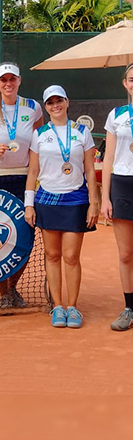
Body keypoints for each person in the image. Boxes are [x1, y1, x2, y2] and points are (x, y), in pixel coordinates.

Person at [25, 85, 99, 328]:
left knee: (71, 256)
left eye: (59, 100)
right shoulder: (39, 134)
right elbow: (33, 171)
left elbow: (90, 170)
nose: (55, 105)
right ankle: (58, 306)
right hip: (47, 200)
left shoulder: (82, 132)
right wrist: (29, 204)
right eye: (50, 102)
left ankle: (73, 307)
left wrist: (93, 203)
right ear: (45, 107)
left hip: (76, 199)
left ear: (67, 102)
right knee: (52, 255)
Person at [0, 62, 43, 309]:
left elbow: (39, 143)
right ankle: (3, 293)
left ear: (19, 81)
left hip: (24, 179)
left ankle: (13, 286)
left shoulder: (33, 107)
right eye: (4, 80)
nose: (8, 83)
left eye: (12, 79)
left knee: (24, 237)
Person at [101, 62, 133, 331]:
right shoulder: (116, 115)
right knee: (125, 254)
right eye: (132, 79)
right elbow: (108, 158)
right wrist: (105, 198)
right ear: (125, 84)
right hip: (122, 185)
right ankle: (129, 308)